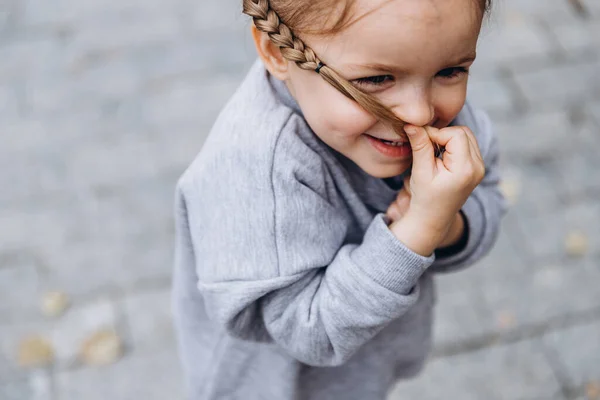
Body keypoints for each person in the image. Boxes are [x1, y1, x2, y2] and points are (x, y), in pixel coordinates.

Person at [172, 0, 507, 398]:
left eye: (451, 71)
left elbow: (488, 196)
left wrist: (449, 226)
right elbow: (308, 330)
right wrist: (417, 232)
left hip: (363, 374)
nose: (419, 113)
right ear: (277, 52)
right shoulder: (254, 170)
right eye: (377, 79)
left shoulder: (438, 105)